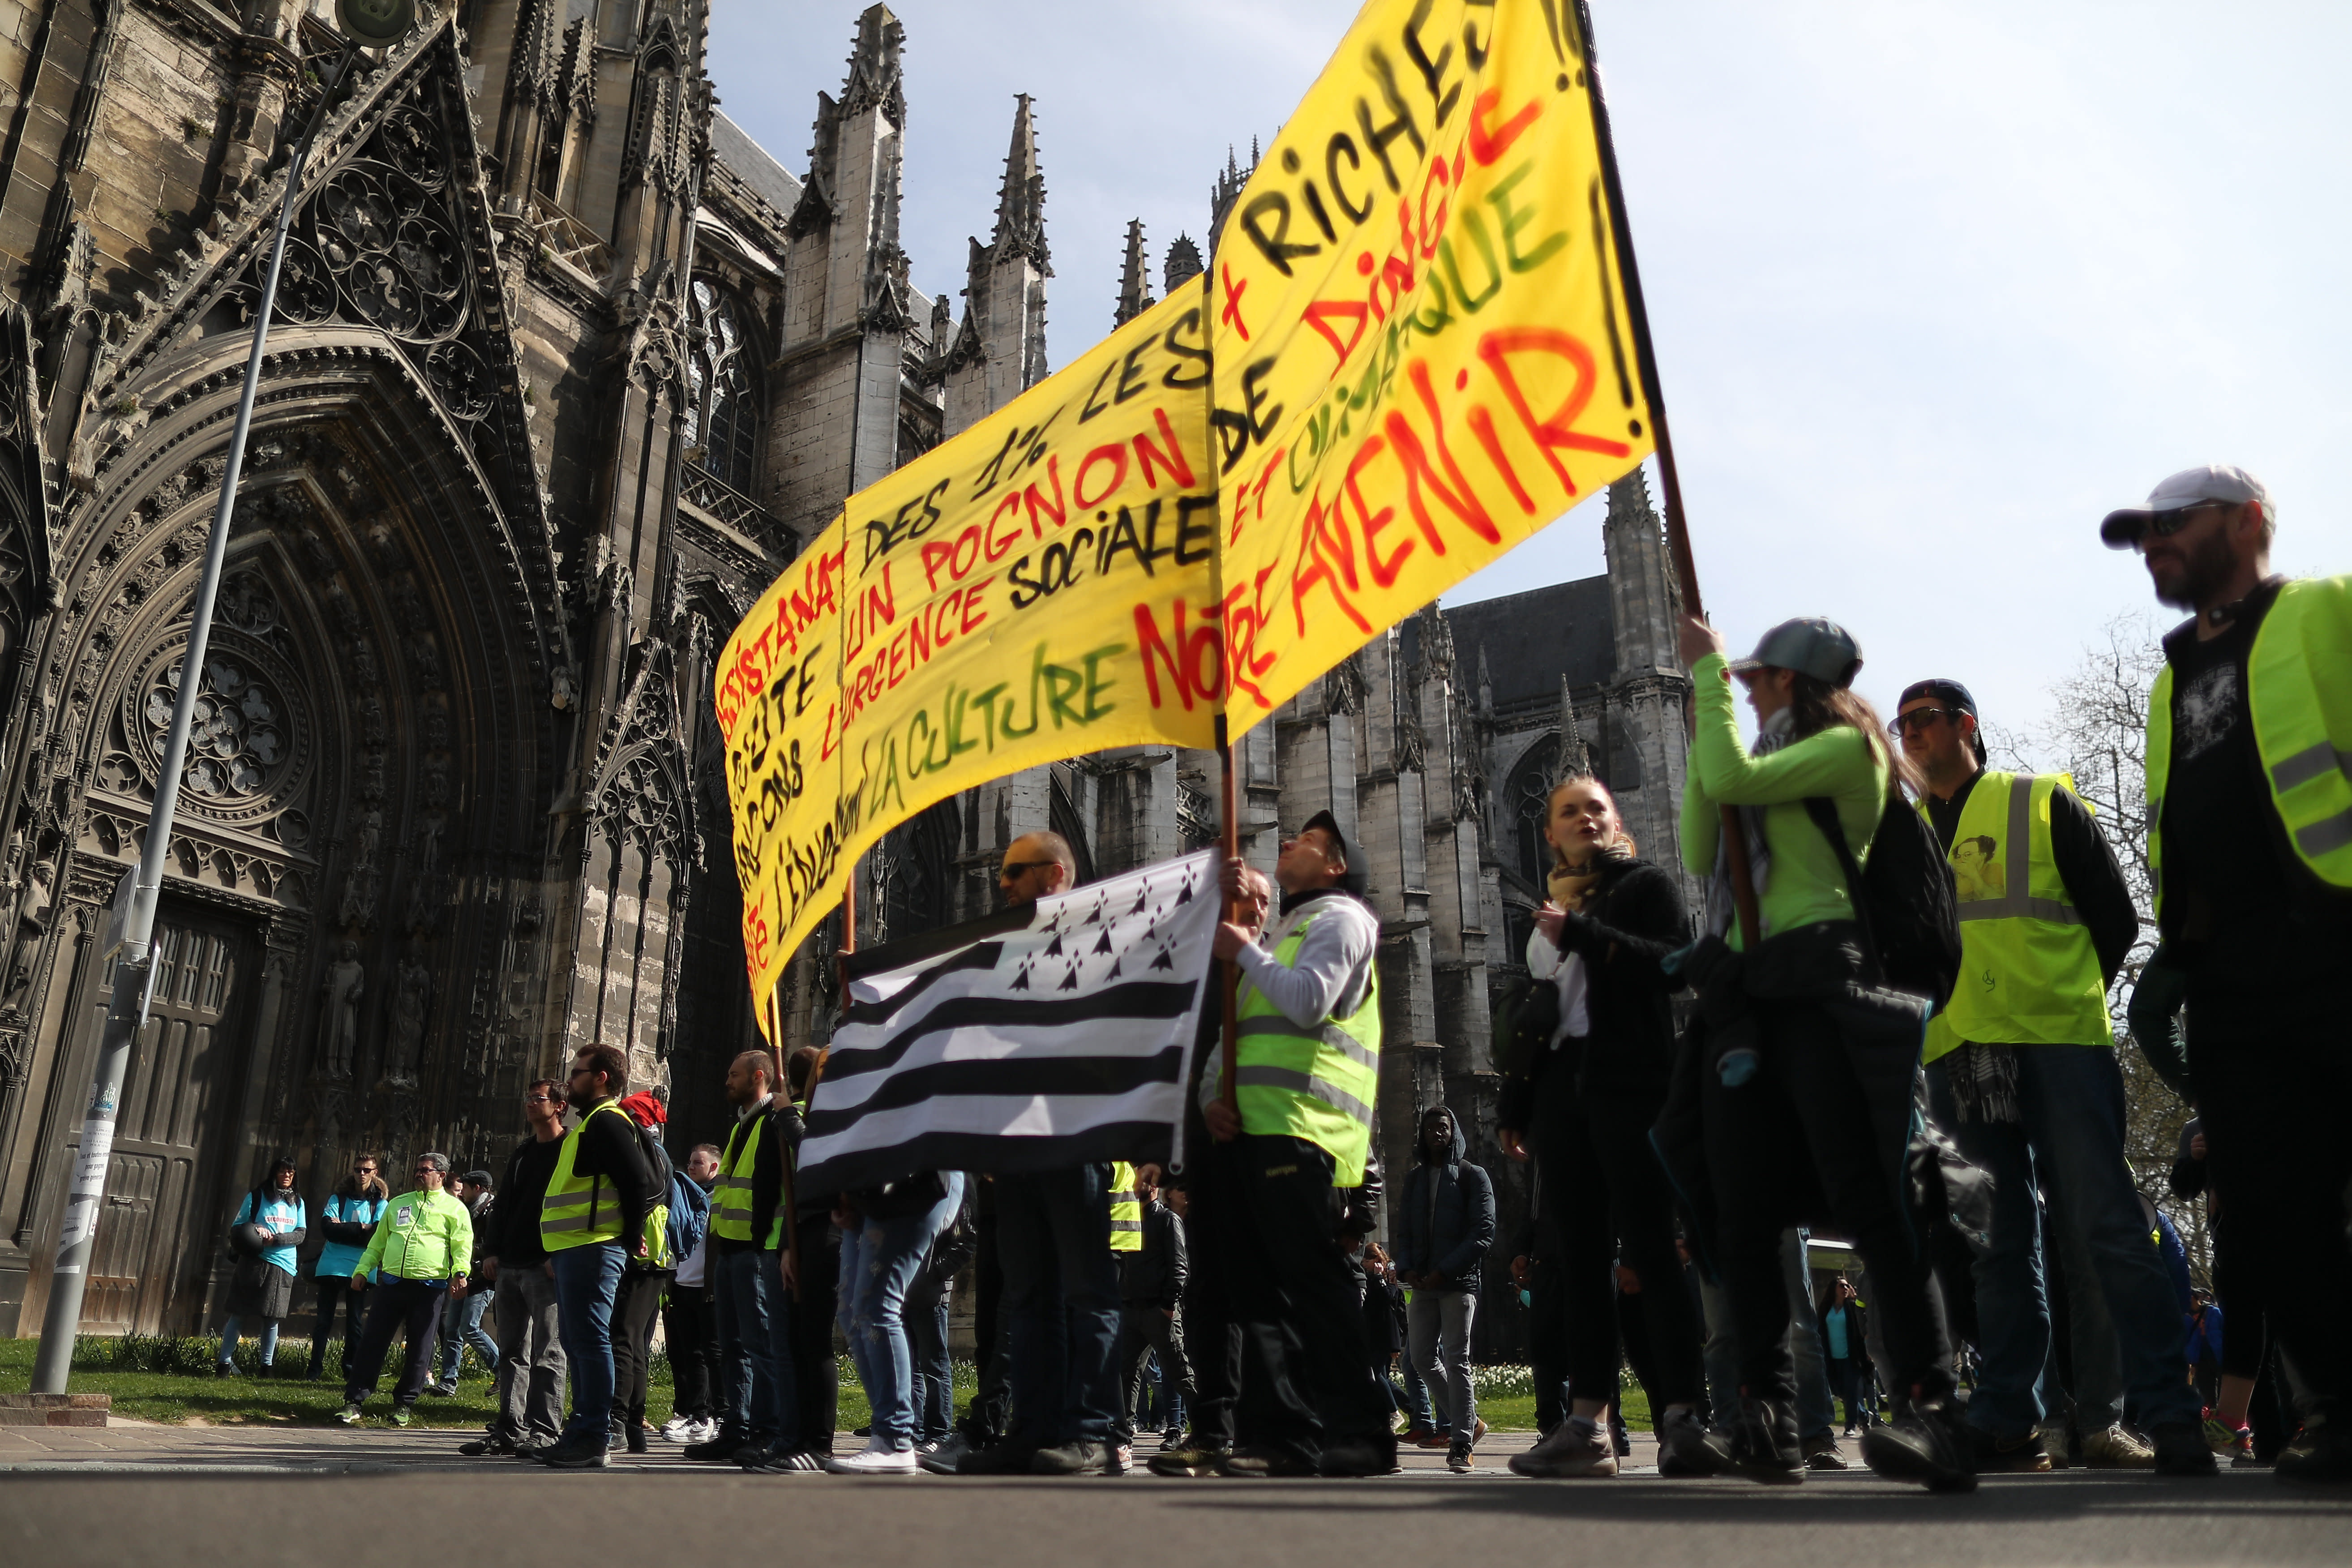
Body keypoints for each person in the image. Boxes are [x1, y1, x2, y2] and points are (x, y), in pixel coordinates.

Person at [1663, 613, 1972, 1491]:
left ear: (1796, 681)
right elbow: (1698, 843)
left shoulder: (1849, 751)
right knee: (1742, 1208)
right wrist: (1702, 721)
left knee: (1869, 1198)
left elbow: (1730, 776)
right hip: (1749, 992)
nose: (1748, 689)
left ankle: (1932, 1406)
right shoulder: (1756, 756)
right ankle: (1766, 1412)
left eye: (1760, 678)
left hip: (1820, 978)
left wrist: (1705, 689)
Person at [2102, 465, 2352, 1483]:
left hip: (2332, 941)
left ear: (2246, 521)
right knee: (2265, 1207)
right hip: (2229, 977)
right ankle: (2340, 1399)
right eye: (2140, 534)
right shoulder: (2168, 680)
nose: (2151, 544)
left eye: (2171, 524)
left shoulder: (2323, 612)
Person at [1895, 673, 2207, 1475]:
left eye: (1921, 720)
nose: (1908, 735)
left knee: (2104, 1228)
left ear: (1965, 724)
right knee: (1998, 1243)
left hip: (2055, 1044)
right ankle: (2007, 1418)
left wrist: (2066, 1003)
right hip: (1959, 1056)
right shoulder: (1902, 835)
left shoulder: (2040, 800)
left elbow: (2114, 917)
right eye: (1899, 725)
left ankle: (2168, 1417)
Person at [1496, 774, 1708, 1480]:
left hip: (1630, 1084)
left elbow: (1674, 965)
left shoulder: (1646, 885)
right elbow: (1543, 1017)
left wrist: (1582, 932)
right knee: (1579, 1262)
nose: (1584, 817)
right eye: (1567, 810)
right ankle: (1588, 1425)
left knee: (1650, 1249)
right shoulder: (1551, 904)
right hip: (1564, 1089)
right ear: (1549, 832)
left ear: (1615, 822)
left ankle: (1682, 1416)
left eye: (1597, 807)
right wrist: (1515, 1105)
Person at [1195, 810, 1395, 1478]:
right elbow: (1234, 1035)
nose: (1287, 843)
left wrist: (1242, 950)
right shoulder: (1283, 932)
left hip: (1302, 1126)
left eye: (1305, 842)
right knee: (1259, 1296)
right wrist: (1208, 1100)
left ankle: (1363, 1429)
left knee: (1314, 1286)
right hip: (1250, 1129)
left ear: (1335, 866)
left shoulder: (1341, 919)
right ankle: (1281, 1434)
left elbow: (1310, 1002)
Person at [958, 833, 1129, 1478]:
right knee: (1029, 1295)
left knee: (1086, 1291)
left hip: (1075, 1135)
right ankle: (1031, 1430)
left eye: (1013, 872)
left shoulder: (1096, 934)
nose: (1001, 883)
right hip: (1017, 1143)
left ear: (1053, 875)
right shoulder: (1010, 947)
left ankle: (1092, 1432)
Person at [535, 1042, 657, 1468]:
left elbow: (636, 1182)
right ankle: (581, 1431)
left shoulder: (608, 1122)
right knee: (578, 1341)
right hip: (576, 1248)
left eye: (578, 1071)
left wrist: (629, 1236)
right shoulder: (589, 1126)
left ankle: (593, 1436)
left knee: (589, 1341)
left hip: (594, 1246)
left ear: (601, 1077)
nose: (570, 1080)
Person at [693, 1050, 810, 1471]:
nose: (727, 1080)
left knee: (761, 1346)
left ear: (758, 1077)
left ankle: (768, 1430)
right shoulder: (745, 1123)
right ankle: (737, 1428)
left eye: (734, 1074)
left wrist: (771, 1244)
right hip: (730, 1247)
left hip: (755, 1247)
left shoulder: (772, 1119)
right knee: (733, 1347)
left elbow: (777, 1185)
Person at [831, 1165, 968, 1473]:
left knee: (877, 1307)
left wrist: (789, 1117)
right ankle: (885, 1435)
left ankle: (895, 1439)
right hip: (866, 1187)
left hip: (914, 1176)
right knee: (852, 1312)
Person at [459, 1080, 568, 1458]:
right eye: (528, 1098)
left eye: (538, 1099)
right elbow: (504, 1205)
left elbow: (575, 1204)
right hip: (510, 1264)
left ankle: (545, 1431)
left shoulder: (570, 1149)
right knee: (511, 1351)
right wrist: (492, 1251)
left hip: (545, 1264)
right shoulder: (523, 1151)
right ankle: (509, 1428)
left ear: (559, 1106)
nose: (529, 1105)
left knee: (547, 1351)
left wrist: (560, 1253)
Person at [337, 1152, 472, 1427]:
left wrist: (461, 1273)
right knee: (372, 1342)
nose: (419, 1174)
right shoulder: (399, 1203)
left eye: (425, 1170)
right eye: (418, 1170)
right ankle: (354, 1401)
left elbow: (462, 1245)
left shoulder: (455, 1210)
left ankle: (404, 1404)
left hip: (430, 1287)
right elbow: (378, 1242)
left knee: (420, 1348)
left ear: (441, 1176)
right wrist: (363, 1270)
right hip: (392, 1283)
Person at [1397, 1105, 1493, 1473]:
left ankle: (1461, 1442)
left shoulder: (1473, 1176)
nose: (1437, 1133)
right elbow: (1404, 1229)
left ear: (1454, 1132)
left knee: (1457, 1360)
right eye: (1430, 1128)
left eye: (1443, 1127)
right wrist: (1407, 1268)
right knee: (1419, 1357)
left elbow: (1482, 1234)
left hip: (1457, 1283)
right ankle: (1469, 1420)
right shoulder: (1415, 1179)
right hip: (1422, 1284)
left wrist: (1443, 1271)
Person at [777, 1044, 841, 1461]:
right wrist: (787, 1246)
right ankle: (799, 1439)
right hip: (804, 1231)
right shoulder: (815, 1119)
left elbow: (818, 1161)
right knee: (798, 1340)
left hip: (830, 1232)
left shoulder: (839, 1117)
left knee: (816, 1340)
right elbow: (797, 1190)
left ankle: (819, 1443)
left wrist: (786, 1115)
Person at [609, 1091, 677, 1455]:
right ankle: (634, 1424)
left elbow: (640, 1197)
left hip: (641, 1255)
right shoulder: (658, 1151)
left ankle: (618, 1421)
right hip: (655, 1258)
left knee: (623, 1337)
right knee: (633, 1341)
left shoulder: (644, 1150)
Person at [1117, 1165, 1193, 1449]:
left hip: (1159, 1311)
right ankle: (1123, 1434)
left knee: (1178, 1372)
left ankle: (1210, 1428)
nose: (1141, 1183)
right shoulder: (1128, 1219)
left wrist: (1168, 1305)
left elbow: (1180, 1268)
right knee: (1126, 1372)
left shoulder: (1167, 1219)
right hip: (1131, 1309)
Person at [217, 1156, 305, 1377]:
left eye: (291, 1173)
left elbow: (301, 1234)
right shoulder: (257, 1197)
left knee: (272, 1318)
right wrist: (255, 1228)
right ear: (274, 1173)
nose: (287, 1176)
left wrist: (276, 1239)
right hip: (254, 1262)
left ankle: (267, 1367)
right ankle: (224, 1364)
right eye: (283, 1171)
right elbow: (237, 1227)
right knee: (239, 1312)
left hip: (283, 1265)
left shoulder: (298, 1202)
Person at [661, 1144, 724, 1444]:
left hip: (709, 1289)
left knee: (714, 1354)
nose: (691, 1167)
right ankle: (693, 1414)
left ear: (714, 1167)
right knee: (686, 1355)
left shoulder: (720, 1197)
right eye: (689, 1162)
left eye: (698, 1162)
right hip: (682, 1285)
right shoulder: (681, 1196)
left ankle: (719, 1415)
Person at [307, 1154, 385, 1380]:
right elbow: (328, 1229)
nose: (361, 1174)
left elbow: (375, 1236)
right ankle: (314, 1370)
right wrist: (360, 1227)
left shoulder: (380, 1203)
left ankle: (350, 1370)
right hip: (331, 1266)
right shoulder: (337, 1198)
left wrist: (347, 1228)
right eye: (358, 1169)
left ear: (375, 1173)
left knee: (355, 1323)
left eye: (366, 1170)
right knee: (323, 1322)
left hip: (360, 1268)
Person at [426, 1170, 498, 1397]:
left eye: (465, 1188)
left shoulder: (492, 1211)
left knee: (469, 1327)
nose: (461, 1193)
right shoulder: (465, 1210)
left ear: (477, 1188)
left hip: (483, 1279)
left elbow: (490, 1244)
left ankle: (502, 1369)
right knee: (452, 1330)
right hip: (463, 1274)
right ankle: (448, 1382)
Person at [1816, 1277, 1870, 1434]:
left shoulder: (1852, 1308)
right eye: (1842, 1286)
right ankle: (1864, 1415)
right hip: (1832, 1357)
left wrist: (1866, 1353)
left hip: (1851, 1358)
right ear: (1834, 1289)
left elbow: (1860, 1332)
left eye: (1847, 1286)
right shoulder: (1826, 1309)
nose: (1845, 1288)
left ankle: (1851, 1426)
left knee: (1851, 1391)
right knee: (1839, 1391)